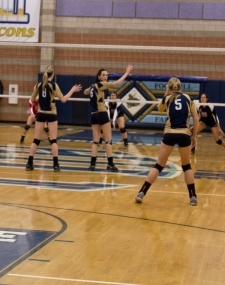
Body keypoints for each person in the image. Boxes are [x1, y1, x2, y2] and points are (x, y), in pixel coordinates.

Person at [135, 77, 200, 205]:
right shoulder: (188, 98)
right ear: (181, 87)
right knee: (187, 166)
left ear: (169, 87)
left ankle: (141, 192)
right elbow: (196, 118)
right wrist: (194, 136)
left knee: (159, 165)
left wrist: (166, 93)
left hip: (170, 133)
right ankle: (193, 197)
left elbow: (159, 108)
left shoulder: (167, 98)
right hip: (184, 134)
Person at [25, 66, 81, 172]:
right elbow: (63, 99)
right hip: (51, 114)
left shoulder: (38, 85)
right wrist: (72, 90)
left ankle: (29, 163)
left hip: (41, 114)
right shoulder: (54, 85)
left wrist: (39, 98)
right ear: (53, 74)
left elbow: (32, 99)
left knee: (36, 140)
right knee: (53, 140)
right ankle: (56, 165)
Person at [84, 66, 133, 172]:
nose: (105, 77)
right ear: (99, 76)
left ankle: (92, 165)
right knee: (108, 141)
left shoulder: (93, 85)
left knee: (95, 142)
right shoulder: (102, 84)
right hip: (101, 113)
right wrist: (126, 73)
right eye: (103, 75)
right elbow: (116, 84)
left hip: (93, 115)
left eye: (106, 75)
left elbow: (85, 92)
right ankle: (110, 164)